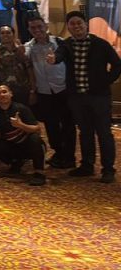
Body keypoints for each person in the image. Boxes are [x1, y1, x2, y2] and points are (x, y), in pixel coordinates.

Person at [48, 12, 121, 184]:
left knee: (104, 133)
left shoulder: (101, 44)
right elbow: (59, 55)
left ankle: (108, 169)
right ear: (68, 27)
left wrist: (106, 81)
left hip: (99, 97)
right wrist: (53, 59)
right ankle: (87, 166)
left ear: (85, 24)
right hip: (77, 98)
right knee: (85, 132)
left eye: (79, 23)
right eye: (72, 24)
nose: (76, 26)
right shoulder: (66, 44)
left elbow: (117, 64)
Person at [24, 16, 74, 169]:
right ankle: (59, 152)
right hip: (44, 92)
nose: (37, 30)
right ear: (29, 30)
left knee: (68, 124)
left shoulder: (59, 42)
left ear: (46, 26)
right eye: (33, 28)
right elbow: (25, 62)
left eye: (39, 26)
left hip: (62, 89)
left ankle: (69, 157)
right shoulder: (28, 47)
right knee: (51, 126)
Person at [0, 83, 46, 186]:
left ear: (11, 94)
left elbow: (37, 129)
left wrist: (21, 125)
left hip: (27, 144)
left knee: (35, 139)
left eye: (4, 92)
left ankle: (39, 173)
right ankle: (16, 162)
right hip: (11, 145)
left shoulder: (22, 108)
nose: (2, 95)